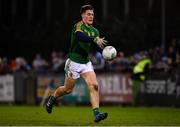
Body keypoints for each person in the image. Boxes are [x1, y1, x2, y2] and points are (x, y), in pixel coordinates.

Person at [46, 4, 108, 123]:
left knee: (94, 86)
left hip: (86, 63)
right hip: (73, 62)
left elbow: (96, 46)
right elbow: (80, 37)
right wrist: (94, 39)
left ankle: (96, 114)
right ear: (83, 15)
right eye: (88, 14)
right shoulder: (78, 26)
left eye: (92, 14)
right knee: (68, 90)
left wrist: (105, 53)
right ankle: (53, 97)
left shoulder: (95, 31)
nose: (91, 16)